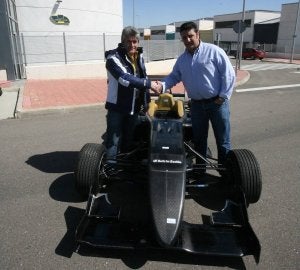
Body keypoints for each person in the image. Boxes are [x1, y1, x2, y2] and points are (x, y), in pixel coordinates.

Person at [159, 21, 236, 173]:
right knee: (199, 141)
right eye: (184, 37)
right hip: (196, 106)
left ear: (198, 35)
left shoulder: (214, 51)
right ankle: (200, 171)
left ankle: (225, 173)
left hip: (217, 104)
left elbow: (228, 74)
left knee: (223, 141)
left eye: (190, 36)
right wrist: (161, 86)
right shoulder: (182, 59)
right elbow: (174, 76)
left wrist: (223, 96)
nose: (187, 40)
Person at [104, 26, 160, 166]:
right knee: (113, 141)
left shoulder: (139, 56)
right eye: (129, 41)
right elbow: (125, 79)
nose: (132, 45)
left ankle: (125, 165)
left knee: (129, 139)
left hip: (134, 107)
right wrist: (149, 84)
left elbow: (143, 76)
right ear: (123, 41)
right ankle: (111, 169)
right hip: (117, 107)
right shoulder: (113, 58)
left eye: (135, 41)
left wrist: (147, 102)